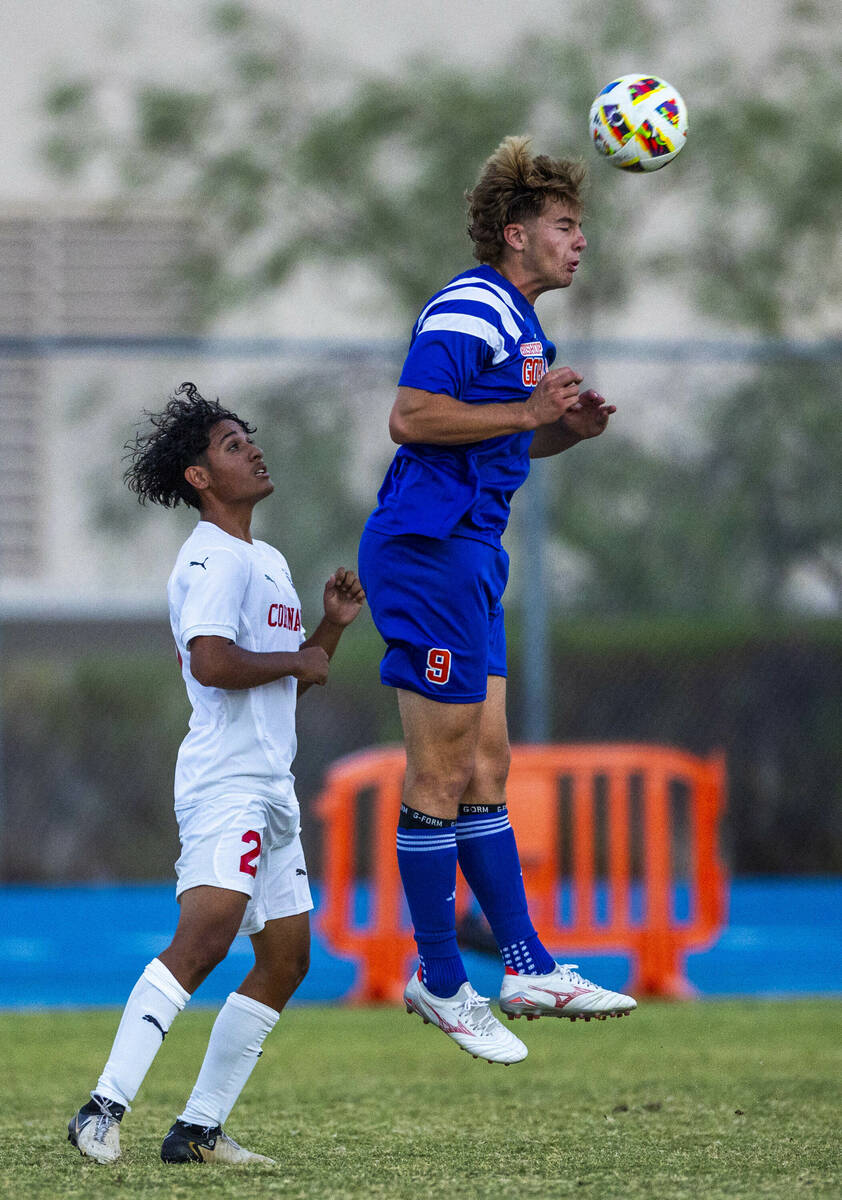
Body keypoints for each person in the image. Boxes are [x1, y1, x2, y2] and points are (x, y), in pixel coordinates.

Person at [357, 136, 636, 1065]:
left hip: (472, 556)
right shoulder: (472, 305)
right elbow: (411, 415)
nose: (579, 241)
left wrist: (565, 432)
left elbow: (494, 443)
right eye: (565, 225)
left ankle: (525, 964)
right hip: (428, 550)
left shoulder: (524, 330)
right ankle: (440, 977)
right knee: (438, 773)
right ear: (516, 235)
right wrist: (527, 412)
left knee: (488, 763)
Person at [67, 382, 365, 1164]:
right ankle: (101, 1107)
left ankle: (197, 1128)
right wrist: (299, 652)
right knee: (203, 939)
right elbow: (212, 662)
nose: (254, 450)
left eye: (249, 440)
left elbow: (286, 677)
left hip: (271, 785)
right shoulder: (210, 555)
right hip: (225, 782)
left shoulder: (265, 557)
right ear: (199, 478)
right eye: (234, 445)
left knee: (288, 957)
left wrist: (325, 633)